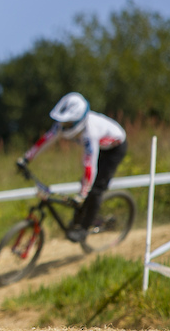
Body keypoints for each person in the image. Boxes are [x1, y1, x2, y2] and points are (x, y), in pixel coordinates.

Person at [17, 92, 127, 243]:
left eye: (68, 123)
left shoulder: (90, 131)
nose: (63, 126)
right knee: (84, 184)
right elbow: (45, 140)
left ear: (78, 120)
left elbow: (89, 166)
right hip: (101, 147)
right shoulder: (63, 125)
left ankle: (83, 229)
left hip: (115, 148)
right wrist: (26, 158)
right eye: (63, 122)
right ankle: (79, 219)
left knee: (94, 190)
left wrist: (82, 194)